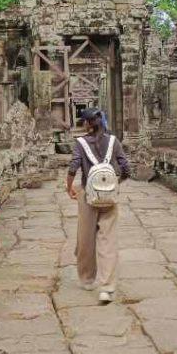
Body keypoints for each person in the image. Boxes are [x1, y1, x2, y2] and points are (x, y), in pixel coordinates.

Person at [66, 107, 131, 303]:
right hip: (109, 197)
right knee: (108, 240)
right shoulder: (114, 141)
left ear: (86, 124)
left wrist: (69, 187)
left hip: (88, 195)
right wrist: (114, 185)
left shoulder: (80, 143)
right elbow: (126, 168)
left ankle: (87, 279)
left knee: (85, 238)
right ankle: (107, 287)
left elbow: (73, 166)